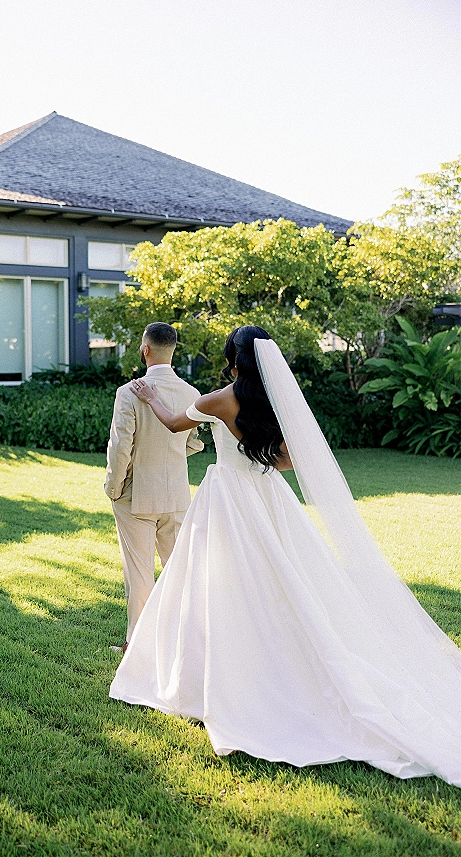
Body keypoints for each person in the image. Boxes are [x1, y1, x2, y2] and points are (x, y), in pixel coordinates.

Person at [110, 325, 461, 787]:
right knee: (282, 581)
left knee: (215, 586)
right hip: (266, 494)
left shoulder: (220, 399)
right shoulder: (272, 399)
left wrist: (151, 398)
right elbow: (289, 459)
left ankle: (215, 678)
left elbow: (176, 424)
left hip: (227, 499)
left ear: (233, 359)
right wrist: (259, 457)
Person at [105, 322, 204, 651]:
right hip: (177, 494)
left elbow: (121, 447)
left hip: (136, 495)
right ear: (173, 351)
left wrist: (113, 487)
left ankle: (137, 645)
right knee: (178, 570)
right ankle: (184, 640)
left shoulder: (128, 392)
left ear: (145, 349)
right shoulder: (192, 394)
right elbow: (193, 442)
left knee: (139, 572)